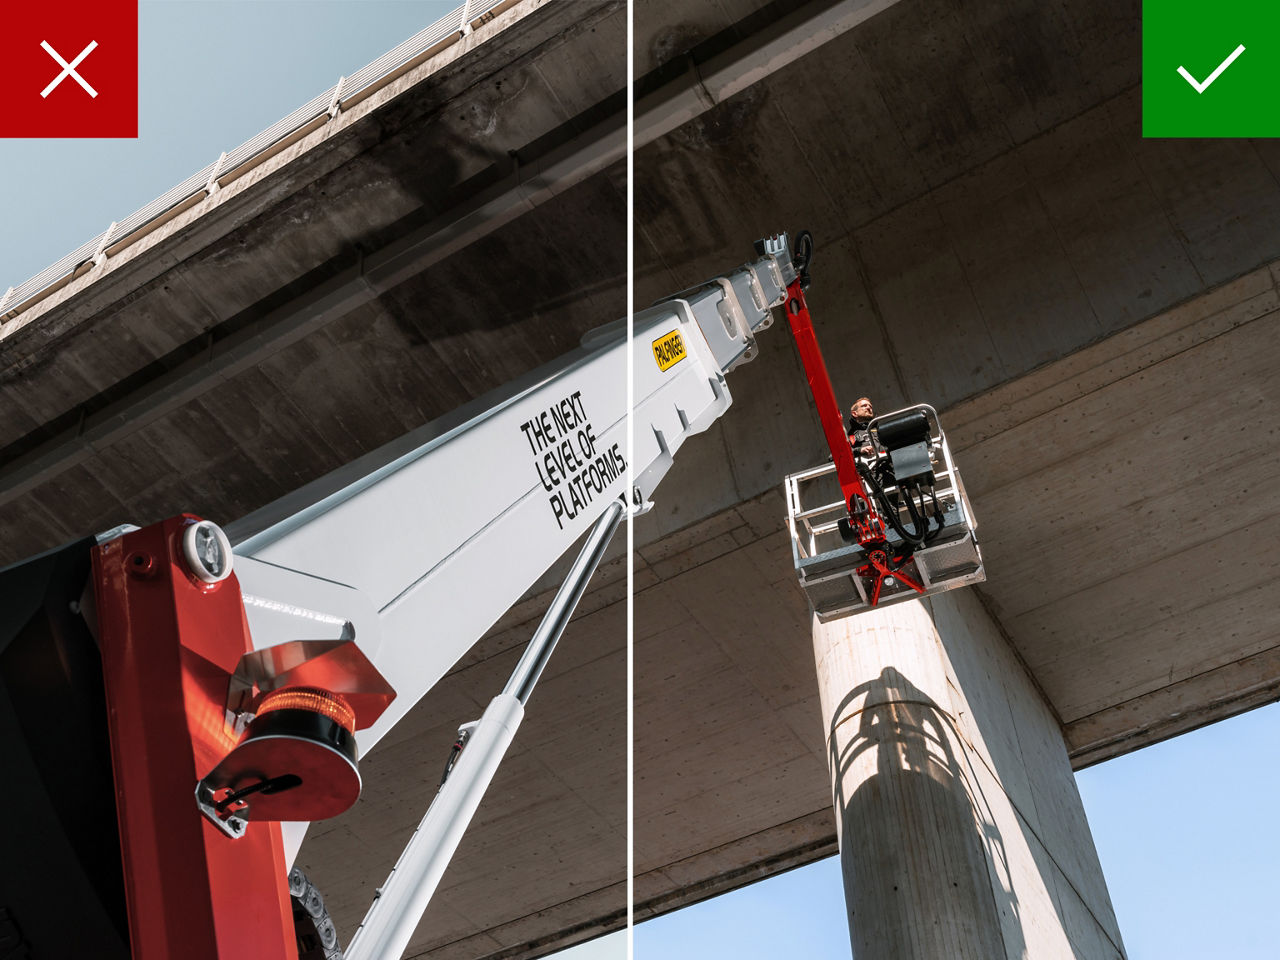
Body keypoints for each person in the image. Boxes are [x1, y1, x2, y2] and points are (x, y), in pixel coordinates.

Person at [847, 397, 875, 461]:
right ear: (854, 413)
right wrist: (859, 450)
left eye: (870, 406)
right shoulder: (849, 436)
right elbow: (833, 457)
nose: (869, 408)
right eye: (864, 406)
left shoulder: (880, 429)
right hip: (863, 469)